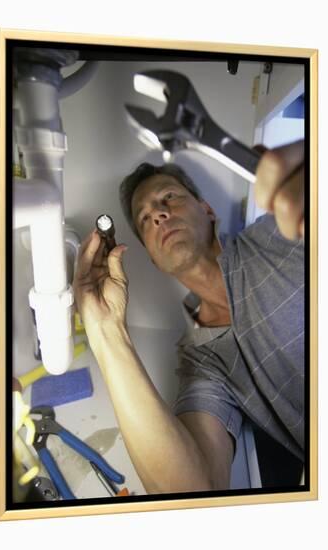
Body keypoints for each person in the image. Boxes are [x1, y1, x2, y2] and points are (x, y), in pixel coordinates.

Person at [73, 140, 305, 494]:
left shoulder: (281, 234)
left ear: (208, 210)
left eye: (169, 198)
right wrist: (105, 329)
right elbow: (191, 488)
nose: (158, 215)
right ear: (152, 257)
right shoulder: (201, 361)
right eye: (144, 219)